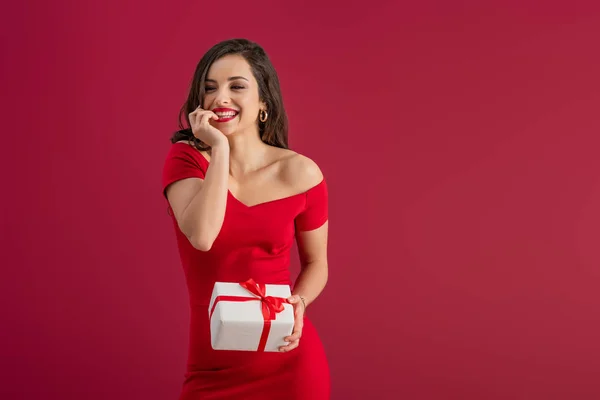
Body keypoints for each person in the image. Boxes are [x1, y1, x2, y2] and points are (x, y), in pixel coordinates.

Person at [161, 38, 331, 399]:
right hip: (213, 367)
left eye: (237, 86)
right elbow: (203, 236)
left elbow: (317, 264)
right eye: (210, 88)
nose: (220, 98)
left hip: (289, 363)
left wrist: (297, 304)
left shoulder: (300, 173)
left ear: (263, 101)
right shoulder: (186, 160)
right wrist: (220, 147)